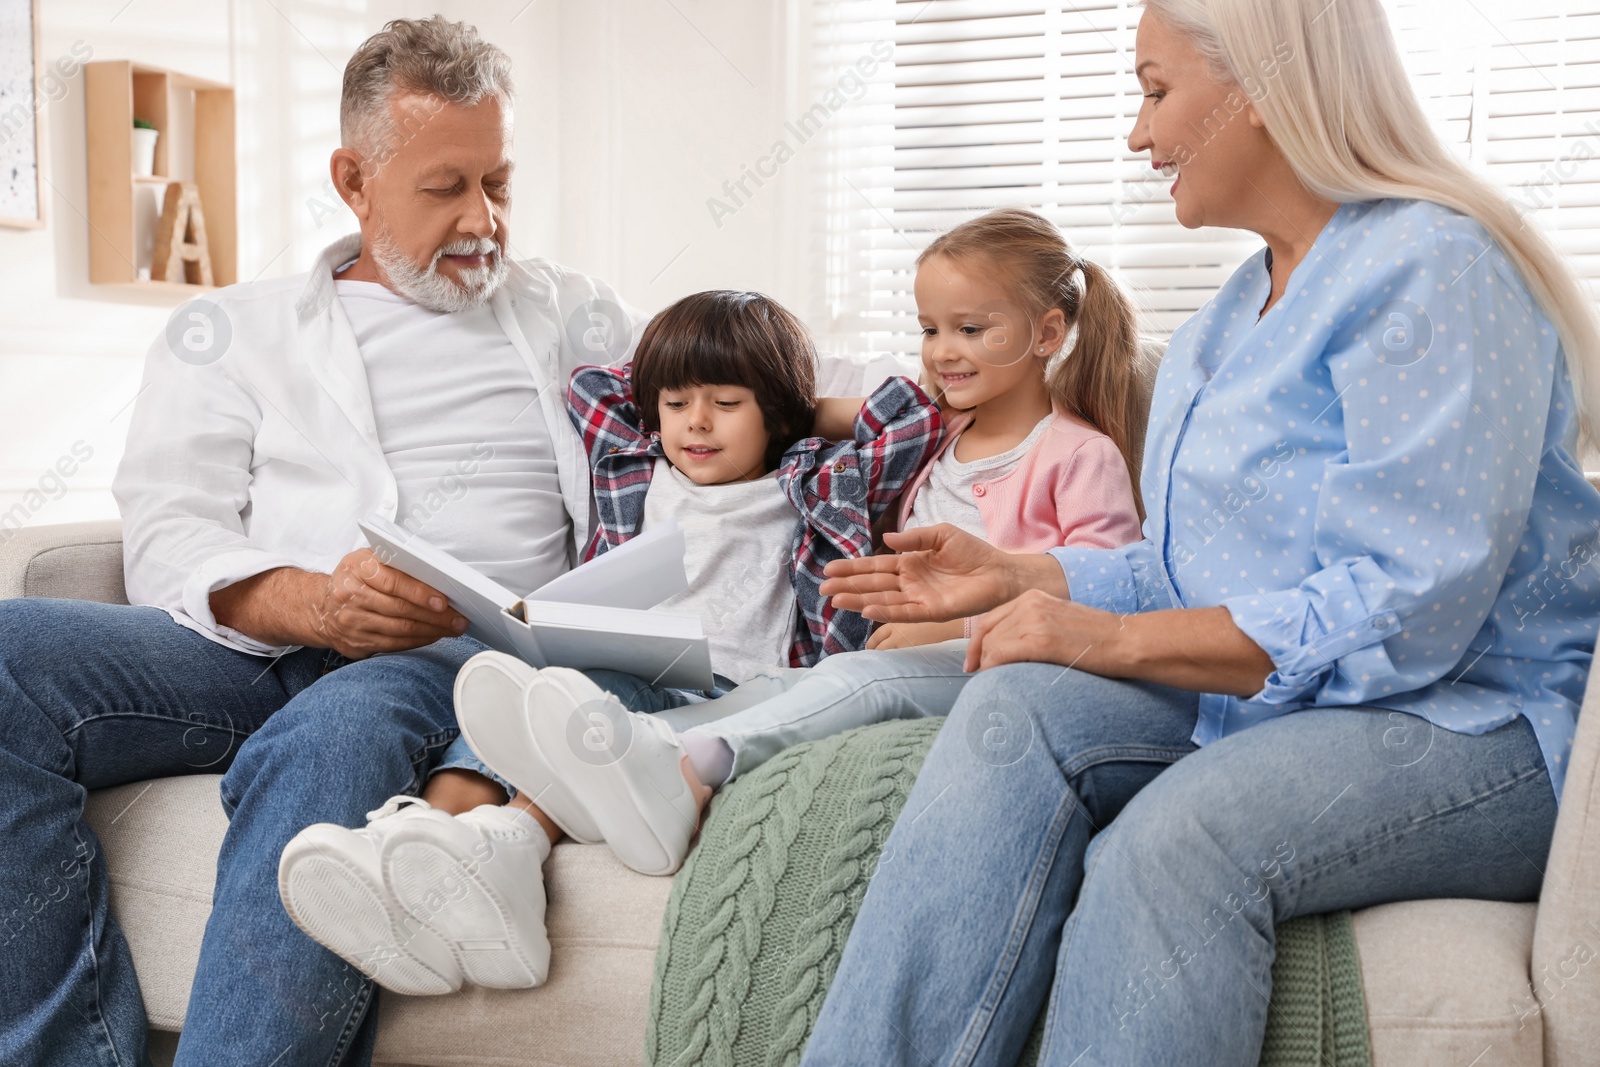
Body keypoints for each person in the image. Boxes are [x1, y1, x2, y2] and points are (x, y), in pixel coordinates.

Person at [799, 1, 1600, 1064]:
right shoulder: (1234, 311)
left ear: (1261, 92)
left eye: (1155, 89)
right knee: (1011, 709)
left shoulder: (1434, 268)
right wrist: (1016, 573)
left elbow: (1409, 607)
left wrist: (1110, 641)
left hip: (1477, 723)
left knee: (1175, 838)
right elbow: (1188, 572)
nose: (1138, 133)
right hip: (1287, 698)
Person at [0, 17, 646, 1067]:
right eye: (447, 187)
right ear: (355, 178)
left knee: (333, 735)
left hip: (460, 657)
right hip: (251, 644)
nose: (483, 218)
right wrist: (312, 602)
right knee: (7, 653)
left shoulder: (576, 315)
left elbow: (743, 386)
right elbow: (170, 529)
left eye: (499, 182)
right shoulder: (232, 331)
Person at [456, 207, 1149, 893]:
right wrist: (773, 404)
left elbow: (1106, 591)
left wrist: (952, 622)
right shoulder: (940, 442)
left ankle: (678, 766)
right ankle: (604, 779)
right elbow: (604, 390)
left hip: (987, 664)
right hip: (878, 654)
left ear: (1047, 332)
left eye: (970, 329)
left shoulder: (1077, 455)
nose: (942, 350)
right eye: (930, 328)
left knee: (849, 683)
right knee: (783, 689)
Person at [277, 289, 943, 993]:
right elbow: (592, 386)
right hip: (614, 662)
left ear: (773, 410)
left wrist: (788, 406)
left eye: (726, 402)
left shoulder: (812, 478)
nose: (697, 424)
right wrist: (711, 393)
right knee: (513, 688)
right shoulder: (634, 462)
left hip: (725, 691)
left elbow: (910, 416)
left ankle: (502, 847)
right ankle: (414, 854)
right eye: (679, 402)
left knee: (585, 697)